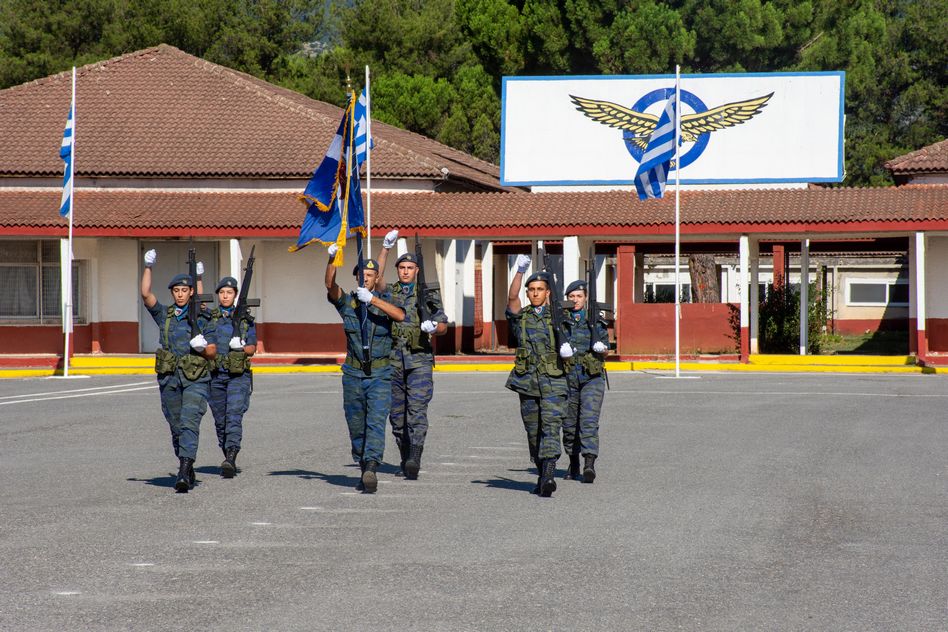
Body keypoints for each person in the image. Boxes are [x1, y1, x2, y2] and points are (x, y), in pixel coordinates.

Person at [325, 243, 405, 493]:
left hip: (380, 373)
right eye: (362, 275)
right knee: (356, 422)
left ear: (377, 278)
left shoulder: (386, 300)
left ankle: (371, 466)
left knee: (376, 422)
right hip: (353, 372)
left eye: (370, 275)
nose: (366, 278)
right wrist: (331, 259)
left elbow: (400, 315)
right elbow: (330, 286)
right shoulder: (347, 304)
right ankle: (363, 462)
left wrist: (373, 300)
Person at [140, 248, 217, 493]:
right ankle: (187, 463)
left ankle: (184, 470)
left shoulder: (203, 317)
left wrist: (203, 348)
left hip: (195, 378)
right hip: (170, 378)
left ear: (191, 292)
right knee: (175, 426)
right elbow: (145, 295)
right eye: (176, 290)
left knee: (188, 422)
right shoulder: (166, 315)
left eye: (185, 290)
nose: (180, 294)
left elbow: (213, 351)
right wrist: (148, 267)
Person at [375, 230, 448, 479]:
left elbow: (443, 325)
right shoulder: (391, 291)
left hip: (419, 359)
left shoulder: (428, 294)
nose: (406, 271)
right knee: (397, 415)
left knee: (416, 411)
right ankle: (405, 457)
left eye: (410, 267)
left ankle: (414, 458)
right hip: (393, 359)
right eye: (402, 267)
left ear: (417, 270)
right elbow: (376, 278)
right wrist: (385, 248)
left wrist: (433, 328)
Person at [505, 254, 572, 497]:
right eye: (531, 290)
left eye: (540, 289)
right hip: (527, 383)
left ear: (548, 293)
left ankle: (548, 475)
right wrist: (520, 271)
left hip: (554, 382)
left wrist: (568, 350)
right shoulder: (521, 317)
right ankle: (542, 470)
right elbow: (512, 298)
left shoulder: (560, 316)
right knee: (533, 432)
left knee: (551, 428)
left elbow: (574, 342)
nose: (535, 293)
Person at [205, 276, 257, 478]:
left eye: (229, 292)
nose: (225, 296)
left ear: (235, 295)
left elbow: (253, 348)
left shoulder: (245, 320)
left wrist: (242, 347)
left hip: (238, 376)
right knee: (220, 421)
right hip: (215, 376)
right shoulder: (210, 318)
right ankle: (227, 453)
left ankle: (231, 457)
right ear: (218, 295)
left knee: (234, 416)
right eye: (222, 292)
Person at [561, 279, 608, 483]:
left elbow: (605, 348)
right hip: (567, 376)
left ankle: (589, 463)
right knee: (569, 424)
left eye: (579, 296)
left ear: (586, 298)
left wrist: (601, 347)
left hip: (592, 377)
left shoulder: (596, 320)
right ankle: (573, 462)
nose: (575, 300)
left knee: (588, 421)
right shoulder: (560, 321)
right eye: (571, 297)